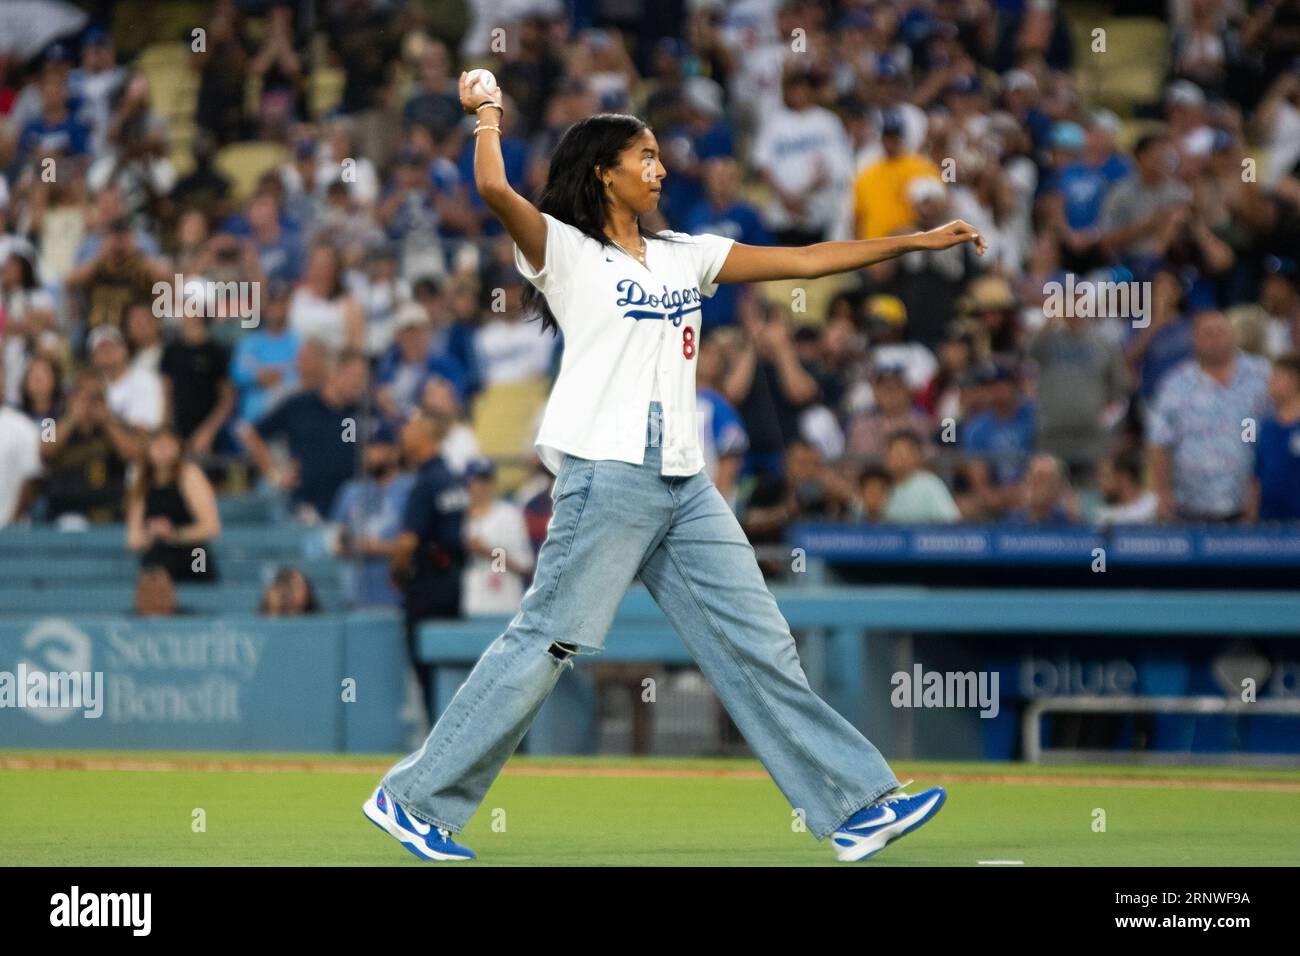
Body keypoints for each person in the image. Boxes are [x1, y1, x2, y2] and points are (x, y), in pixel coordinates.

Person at [363, 79, 986, 863]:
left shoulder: (685, 254)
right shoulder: (565, 249)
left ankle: (856, 806)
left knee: (760, 642)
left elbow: (805, 258)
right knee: (547, 642)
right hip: (606, 470)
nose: (660, 168)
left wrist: (911, 242)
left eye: (659, 155)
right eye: (644, 156)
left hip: (685, 483)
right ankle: (413, 799)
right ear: (603, 173)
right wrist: (488, 110)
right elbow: (491, 185)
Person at [388, 408, 469, 719]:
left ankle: (440, 745)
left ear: (425, 435)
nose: (404, 435)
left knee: (426, 672)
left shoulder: (425, 482)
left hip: (427, 586)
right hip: (453, 583)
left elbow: (408, 542)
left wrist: (396, 571)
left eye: (410, 428)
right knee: (449, 671)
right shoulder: (450, 478)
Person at [125, 428, 222, 582]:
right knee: (153, 570)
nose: (163, 451)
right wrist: (154, 534)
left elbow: (211, 528)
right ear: (148, 449)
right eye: (157, 446)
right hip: (159, 551)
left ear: (179, 448)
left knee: (200, 562)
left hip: (194, 550)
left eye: (168, 445)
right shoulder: (141, 482)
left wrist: (173, 534)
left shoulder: (190, 475)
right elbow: (133, 539)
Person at [460, 457, 535, 616]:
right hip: (470, 603)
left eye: (485, 480)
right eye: (475, 481)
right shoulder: (459, 517)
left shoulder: (508, 515)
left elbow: (525, 563)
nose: (481, 486)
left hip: (503, 603)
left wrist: (490, 552)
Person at [1249, 353, 1300, 521]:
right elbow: (1257, 475)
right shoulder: (1266, 426)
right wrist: (1251, 514)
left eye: (1278, 377)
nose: (1270, 382)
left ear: (1294, 381)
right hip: (1268, 522)